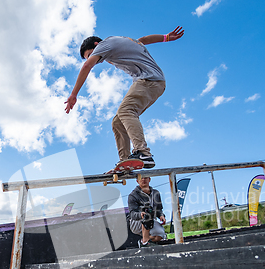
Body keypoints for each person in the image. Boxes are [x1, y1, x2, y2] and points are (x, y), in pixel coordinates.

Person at [65, 26, 184, 170]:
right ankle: (125, 162)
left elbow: (86, 67)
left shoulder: (105, 45)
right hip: (155, 84)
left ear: (96, 46)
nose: (94, 61)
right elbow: (143, 40)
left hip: (149, 81)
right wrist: (165, 37)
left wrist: (74, 94)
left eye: (90, 55)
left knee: (126, 111)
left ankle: (143, 153)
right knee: (117, 122)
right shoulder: (123, 43)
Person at [128, 176, 166, 247]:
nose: (143, 179)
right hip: (136, 222)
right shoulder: (133, 195)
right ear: (137, 181)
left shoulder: (155, 193)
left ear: (149, 179)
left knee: (160, 235)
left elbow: (159, 209)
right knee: (147, 214)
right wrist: (140, 214)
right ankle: (145, 241)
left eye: (145, 177)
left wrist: (161, 215)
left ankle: (142, 241)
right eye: (141, 178)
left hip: (151, 221)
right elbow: (132, 214)